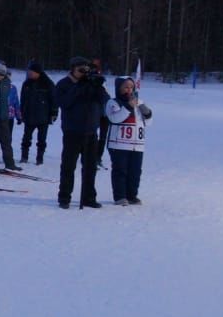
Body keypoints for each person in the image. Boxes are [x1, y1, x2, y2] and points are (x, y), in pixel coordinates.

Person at [54, 56, 109, 209]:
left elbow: (105, 100)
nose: (83, 73)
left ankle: (88, 197)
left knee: (91, 166)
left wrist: (98, 85)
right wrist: (78, 87)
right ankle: (64, 197)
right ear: (73, 69)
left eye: (85, 69)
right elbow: (64, 103)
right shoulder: (63, 84)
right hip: (72, 131)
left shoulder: (90, 83)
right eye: (80, 70)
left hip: (91, 131)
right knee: (68, 166)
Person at [105, 76, 152, 205]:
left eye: (131, 87)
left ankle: (132, 195)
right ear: (119, 88)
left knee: (135, 171)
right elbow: (115, 119)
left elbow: (148, 122)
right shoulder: (113, 103)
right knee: (120, 170)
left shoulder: (139, 102)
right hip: (119, 144)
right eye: (126, 87)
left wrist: (147, 112)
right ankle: (120, 196)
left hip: (137, 144)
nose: (129, 90)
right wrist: (128, 107)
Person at [19, 61, 56, 164]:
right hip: (29, 115)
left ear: (38, 72)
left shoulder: (48, 84)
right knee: (26, 138)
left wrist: (54, 112)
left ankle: (40, 158)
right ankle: (24, 156)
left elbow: (54, 99)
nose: (30, 73)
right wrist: (21, 111)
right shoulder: (26, 84)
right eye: (29, 71)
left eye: (32, 72)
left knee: (41, 140)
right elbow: (23, 99)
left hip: (43, 116)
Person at [0, 65, 21, 170]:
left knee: (7, 140)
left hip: (9, 117)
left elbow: (16, 102)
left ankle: (9, 163)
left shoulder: (12, 88)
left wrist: (19, 116)